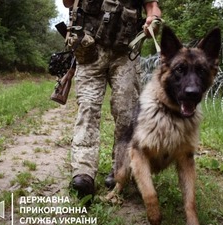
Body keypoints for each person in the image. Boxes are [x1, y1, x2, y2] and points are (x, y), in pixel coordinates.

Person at [62, 0, 162, 204]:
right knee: (88, 108)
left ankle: (120, 170)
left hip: (125, 53)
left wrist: (154, 20)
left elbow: (152, 5)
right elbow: (67, 3)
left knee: (126, 112)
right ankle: (83, 172)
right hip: (89, 49)